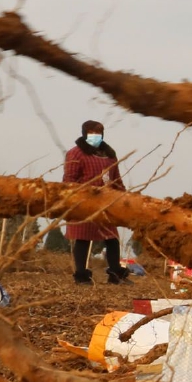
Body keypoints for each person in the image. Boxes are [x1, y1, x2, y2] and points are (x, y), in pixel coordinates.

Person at [62, 121, 127, 284]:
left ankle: (116, 273)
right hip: (83, 203)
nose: (96, 137)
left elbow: (117, 180)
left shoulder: (109, 155)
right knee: (83, 238)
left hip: (106, 203)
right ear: (84, 134)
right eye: (92, 133)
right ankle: (81, 275)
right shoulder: (75, 154)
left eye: (99, 133)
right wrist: (73, 199)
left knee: (112, 239)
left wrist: (124, 198)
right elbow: (69, 180)